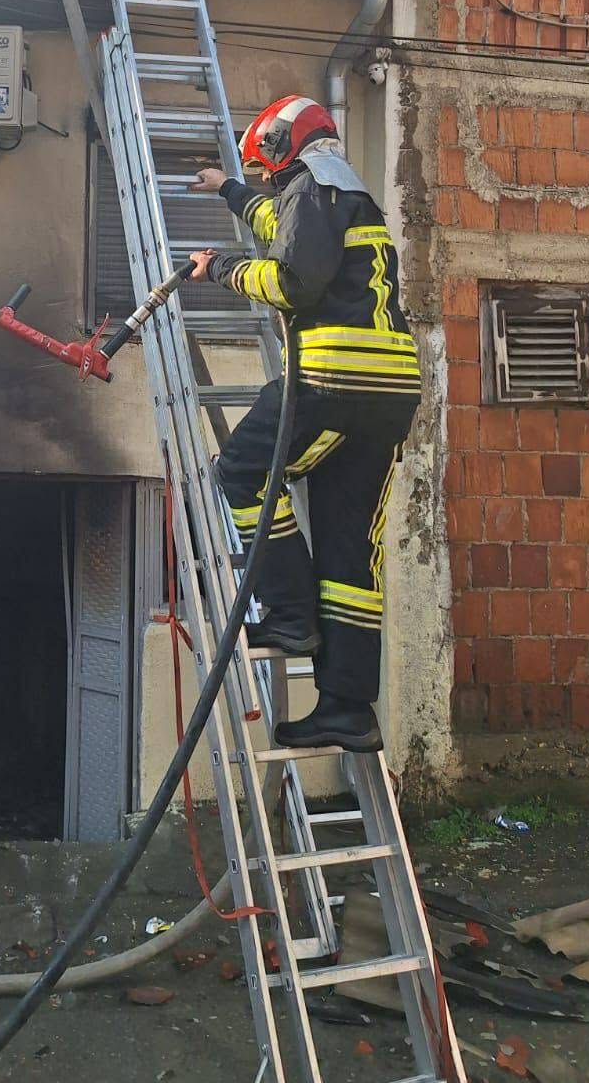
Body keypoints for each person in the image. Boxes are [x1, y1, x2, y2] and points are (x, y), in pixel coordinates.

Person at [187, 95, 421, 753]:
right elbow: (281, 224)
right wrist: (228, 190)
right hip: (387, 393)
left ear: (281, 145)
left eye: (263, 166)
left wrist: (222, 268)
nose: (264, 177)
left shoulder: (311, 188)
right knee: (350, 550)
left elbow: (294, 281)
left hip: (333, 380)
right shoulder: (342, 190)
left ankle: (289, 613)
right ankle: (347, 707)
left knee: (242, 473)